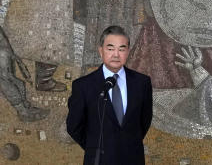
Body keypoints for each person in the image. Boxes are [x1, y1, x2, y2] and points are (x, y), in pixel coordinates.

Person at [66, 25, 154, 165]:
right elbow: (74, 126)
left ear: (128, 51)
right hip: (98, 160)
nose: (116, 54)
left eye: (121, 49)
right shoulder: (83, 86)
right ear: (101, 51)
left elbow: (144, 121)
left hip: (133, 159)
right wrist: (94, 147)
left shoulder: (142, 83)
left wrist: (127, 144)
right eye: (110, 48)